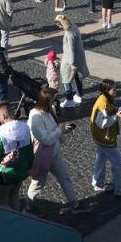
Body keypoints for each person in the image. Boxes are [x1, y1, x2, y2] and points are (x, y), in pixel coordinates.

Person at [26, 86, 87, 214]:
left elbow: (55, 127)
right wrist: (60, 130)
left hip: (54, 153)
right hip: (42, 156)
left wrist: (63, 130)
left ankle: (74, 204)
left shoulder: (51, 110)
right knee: (38, 183)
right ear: (46, 101)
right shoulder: (35, 117)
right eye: (53, 99)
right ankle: (29, 206)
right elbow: (46, 139)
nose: (54, 102)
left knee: (65, 178)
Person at [0, 100, 34, 210]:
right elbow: (30, 150)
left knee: (0, 202)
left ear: (3, 116)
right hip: (21, 170)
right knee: (14, 197)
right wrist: (29, 166)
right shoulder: (25, 127)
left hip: (4, 174)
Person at [90, 79, 121, 197]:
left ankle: (98, 183)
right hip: (105, 138)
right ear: (106, 90)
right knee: (117, 162)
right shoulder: (103, 103)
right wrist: (116, 117)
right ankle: (119, 189)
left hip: (101, 137)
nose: (116, 91)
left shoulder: (105, 99)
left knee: (101, 159)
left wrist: (117, 112)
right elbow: (103, 124)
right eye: (114, 89)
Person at [56, 14, 90, 108]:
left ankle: (69, 99)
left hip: (70, 60)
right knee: (78, 77)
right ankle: (79, 95)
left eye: (59, 25)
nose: (58, 27)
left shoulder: (68, 34)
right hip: (79, 57)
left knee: (66, 79)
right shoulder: (74, 27)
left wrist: (71, 63)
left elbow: (71, 50)